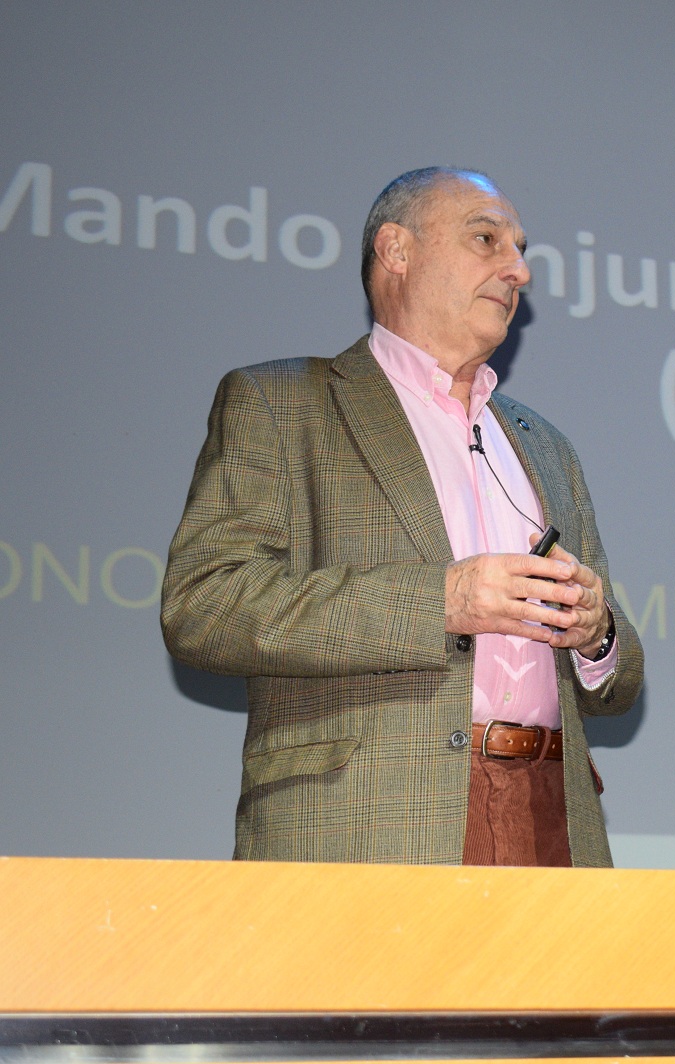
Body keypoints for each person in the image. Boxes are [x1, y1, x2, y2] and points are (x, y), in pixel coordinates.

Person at [162, 167, 642, 867]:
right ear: (397, 250)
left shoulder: (545, 445)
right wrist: (442, 600)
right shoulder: (281, 404)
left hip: (552, 817)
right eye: (487, 239)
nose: (519, 271)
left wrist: (597, 635)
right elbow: (204, 607)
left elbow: (619, 685)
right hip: (366, 822)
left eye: (521, 249)